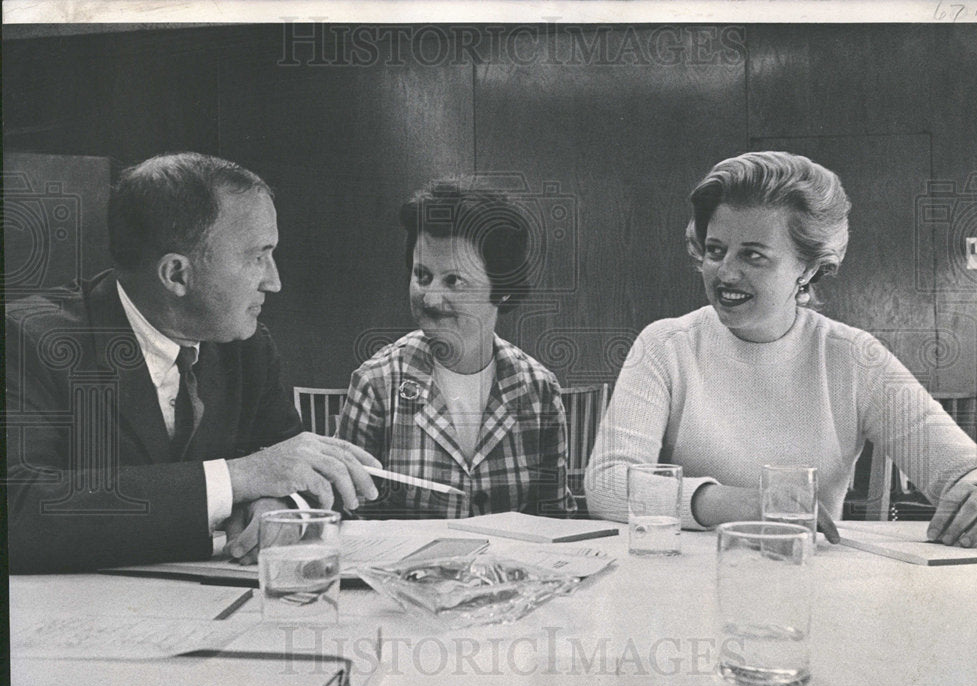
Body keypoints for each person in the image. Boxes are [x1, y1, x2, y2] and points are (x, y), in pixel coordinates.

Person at [585, 151, 977, 548]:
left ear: (809, 267)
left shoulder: (853, 357)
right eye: (715, 250)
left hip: (805, 576)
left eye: (753, 255)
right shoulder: (664, 345)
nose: (725, 272)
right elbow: (605, 483)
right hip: (681, 579)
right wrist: (742, 503)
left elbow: (973, 471)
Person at [6, 152, 381, 574]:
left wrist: (277, 505)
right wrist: (236, 479)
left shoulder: (246, 348)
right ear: (177, 275)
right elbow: (18, 509)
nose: (274, 281)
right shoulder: (29, 339)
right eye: (258, 256)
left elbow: (290, 468)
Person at [338, 177, 576, 518]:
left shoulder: (539, 390)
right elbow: (346, 516)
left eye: (454, 281)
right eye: (422, 276)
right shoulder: (376, 383)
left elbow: (555, 521)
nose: (431, 298)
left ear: (503, 289)